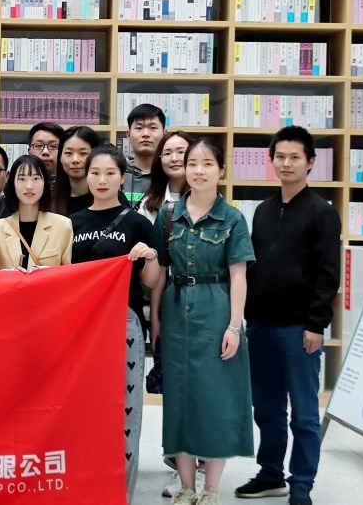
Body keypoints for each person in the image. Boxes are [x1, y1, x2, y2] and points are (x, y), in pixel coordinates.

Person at [236, 126, 341, 505]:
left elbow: (328, 274)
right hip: (261, 326)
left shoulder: (322, 213)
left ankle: (301, 485)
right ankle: (270, 474)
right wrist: (246, 317)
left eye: (295, 157)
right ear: (271, 160)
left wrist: (316, 324)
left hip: (300, 329)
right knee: (266, 409)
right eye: (279, 156)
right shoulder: (263, 211)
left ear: (310, 162)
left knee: (305, 414)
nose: (286, 163)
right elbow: (252, 267)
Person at [151, 138, 256, 505]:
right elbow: (159, 273)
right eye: (192, 163)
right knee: (178, 399)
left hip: (217, 311)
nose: (198, 170)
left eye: (207, 163)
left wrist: (234, 326)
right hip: (175, 309)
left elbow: (239, 276)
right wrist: (155, 318)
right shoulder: (169, 215)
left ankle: (211, 489)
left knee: (215, 399)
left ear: (221, 171)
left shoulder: (233, 218)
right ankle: (185, 486)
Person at [69, 144, 162, 505]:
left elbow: (151, 281)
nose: (102, 180)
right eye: (95, 172)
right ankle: (84, 487)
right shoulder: (71, 223)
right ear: (86, 176)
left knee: (125, 410)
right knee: (83, 409)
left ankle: (120, 492)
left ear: (123, 177)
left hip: (124, 323)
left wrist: (150, 256)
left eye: (110, 173)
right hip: (81, 326)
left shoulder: (137, 223)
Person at [141, 130, 201, 499]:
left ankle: (200, 466)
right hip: (168, 303)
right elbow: (156, 267)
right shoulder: (152, 205)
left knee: (202, 389)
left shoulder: (211, 201)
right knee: (175, 391)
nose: (175, 158)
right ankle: (180, 464)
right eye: (168, 152)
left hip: (206, 305)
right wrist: (155, 316)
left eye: (183, 151)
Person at [0, 154, 72, 270]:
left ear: (45, 184)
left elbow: (69, 273)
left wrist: (47, 272)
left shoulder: (63, 226)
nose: (29, 186)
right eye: (22, 179)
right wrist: (10, 274)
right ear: (12, 184)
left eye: (36, 179)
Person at [138, 130, 194, 222]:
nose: (174, 159)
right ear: (160, 159)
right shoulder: (148, 205)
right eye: (167, 153)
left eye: (181, 152)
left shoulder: (209, 198)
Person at [51, 125, 102, 216]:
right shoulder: (49, 200)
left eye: (83, 153)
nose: (75, 160)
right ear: (60, 157)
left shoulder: (112, 198)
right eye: (68, 153)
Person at [124, 103, 166, 205]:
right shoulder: (117, 171)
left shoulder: (170, 174)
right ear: (128, 134)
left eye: (153, 128)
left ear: (164, 134)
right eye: (139, 128)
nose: (146, 134)